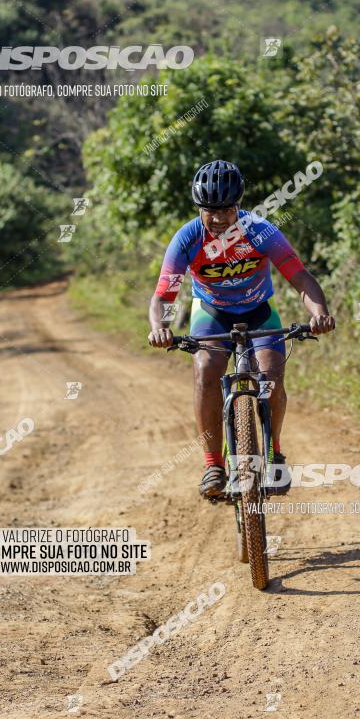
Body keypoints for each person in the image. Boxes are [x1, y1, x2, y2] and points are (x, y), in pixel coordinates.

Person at [148, 159, 335, 499]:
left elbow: (300, 277)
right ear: (199, 208)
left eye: (228, 209)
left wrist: (319, 311)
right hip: (211, 313)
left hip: (259, 312)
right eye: (210, 210)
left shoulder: (260, 230)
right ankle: (213, 465)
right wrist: (159, 326)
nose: (219, 219)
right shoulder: (187, 238)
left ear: (239, 206)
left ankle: (275, 454)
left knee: (272, 377)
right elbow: (164, 294)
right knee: (206, 371)